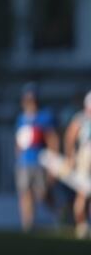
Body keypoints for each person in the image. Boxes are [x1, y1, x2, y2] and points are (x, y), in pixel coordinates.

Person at [13, 83, 57, 232]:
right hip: (24, 162)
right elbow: (19, 140)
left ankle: (58, 215)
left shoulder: (44, 116)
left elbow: (52, 139)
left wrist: (53, 161)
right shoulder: (21, 118)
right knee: (25, 193)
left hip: (40, 161)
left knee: (42, 193)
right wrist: (17, 156)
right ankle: (28, 223)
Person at [65, 90, 91, 239]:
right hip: (85, 158)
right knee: (83, 192)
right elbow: (70, 137)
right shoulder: (81, 118)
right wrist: (70, 156)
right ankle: (81, 225)